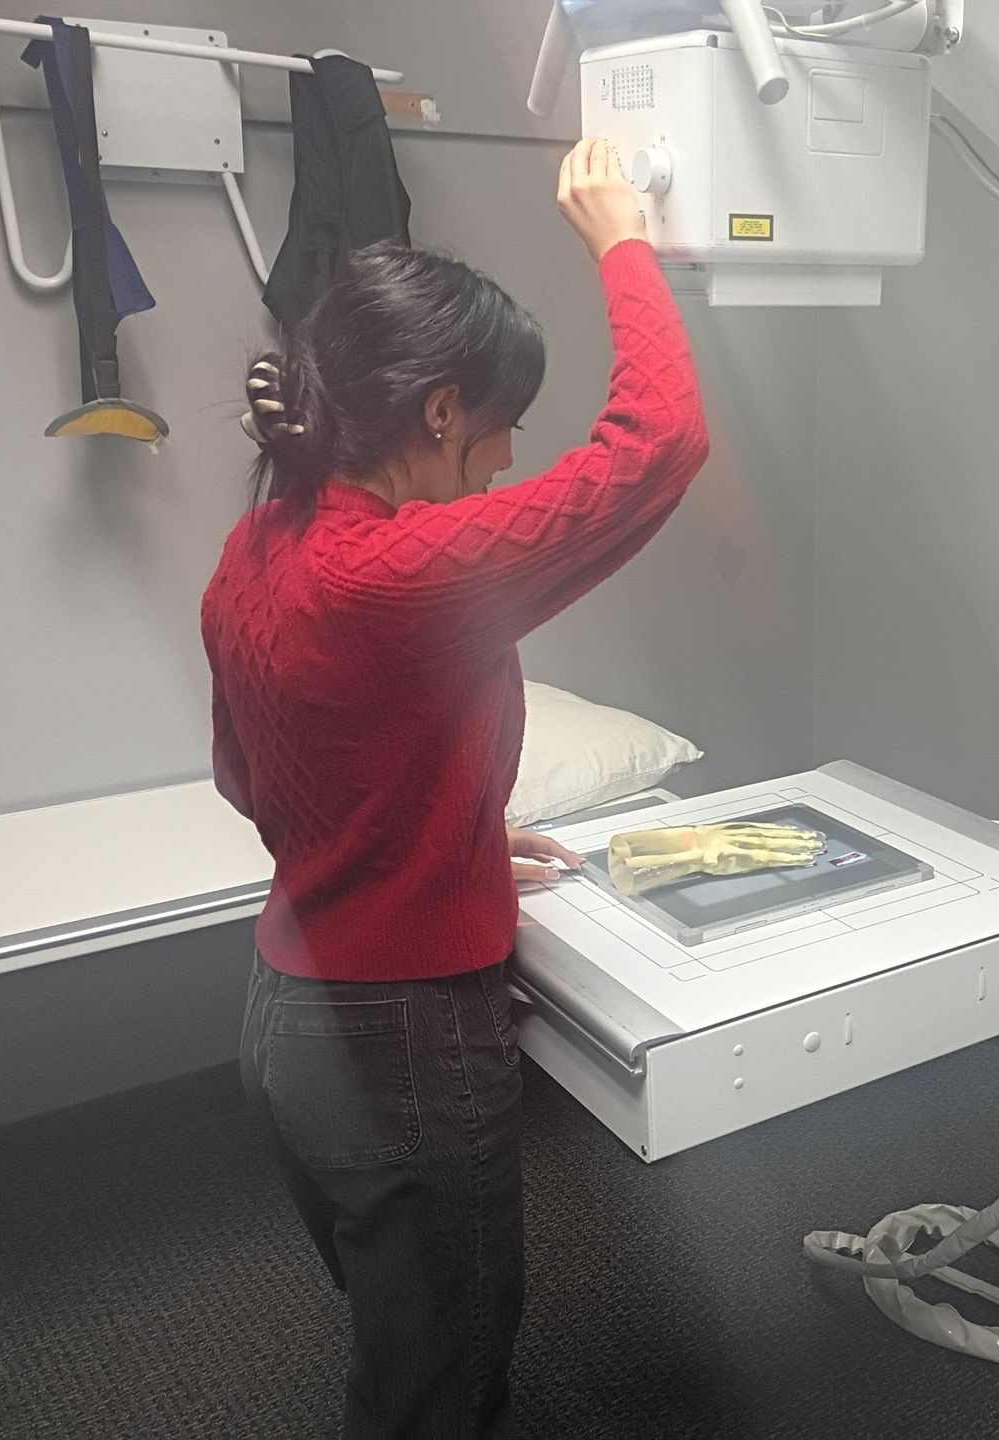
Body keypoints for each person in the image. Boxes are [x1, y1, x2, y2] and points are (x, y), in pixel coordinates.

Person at [200, 139, 709, 1438]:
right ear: (438, 413)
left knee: (400, 1339)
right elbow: (657, 446)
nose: (497, 466)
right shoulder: (401, 572)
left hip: (286, 1022)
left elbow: (254, 780)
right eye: (497, 437)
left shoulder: (261, 544)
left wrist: (441, 842)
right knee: (445, 1375)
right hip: (399, 1051)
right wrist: (620, 239)